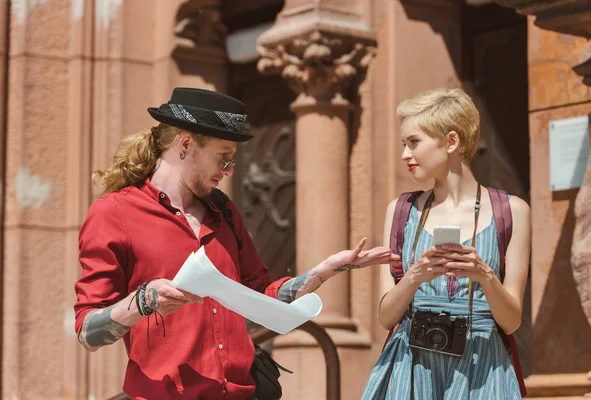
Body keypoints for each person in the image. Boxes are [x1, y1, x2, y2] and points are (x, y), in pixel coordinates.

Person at [74, 87, 400, 400]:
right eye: (223, 158)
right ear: (185, 144)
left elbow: (261, 297)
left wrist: (325, 271)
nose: (229, 171)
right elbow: (88, 333)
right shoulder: (113, 213)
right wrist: (144, 301)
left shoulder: (224, 211)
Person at [361, 88, 530, 399]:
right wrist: (414, 277)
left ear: (451, 141)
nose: (404, 154)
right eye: (403, 144)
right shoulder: (401, 211)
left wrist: (484, 275)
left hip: (483, 368)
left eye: (413, 142)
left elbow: (511, 323)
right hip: (410, 366)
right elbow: (386, 317)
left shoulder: (513, 211)